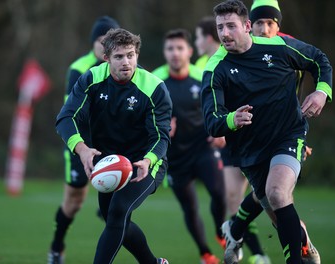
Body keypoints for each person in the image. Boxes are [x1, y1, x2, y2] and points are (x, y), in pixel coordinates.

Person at [201, 1, 332, 263]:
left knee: (277, 193)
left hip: (287, 135)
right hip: (249, 150)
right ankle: (299, 243)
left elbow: (319, 60)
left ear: (246, 27)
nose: (225, 34)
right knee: (276, 211)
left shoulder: (280, 47)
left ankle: (295, 258)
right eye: (220, 28)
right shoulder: (215, 68)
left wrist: (322, 91)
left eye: (231, 26)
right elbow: (212, 121)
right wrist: (231, 119)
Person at [55, 28, 172, 264]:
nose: (126, 62)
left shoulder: (154, 87)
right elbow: (65, 119)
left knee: (118, 210)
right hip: (109, 163)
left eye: (131, 55)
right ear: (106, 58)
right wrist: (82, 149)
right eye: (119, 57)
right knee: (115, 219)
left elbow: (161, 137)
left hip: (146, 163)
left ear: (137, 55)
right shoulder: (90, 79)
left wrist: (149, 160)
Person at [195, 16, 270, 264]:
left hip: (258, 138)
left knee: (270, 196)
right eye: (220, 28)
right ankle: (259, 253)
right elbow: (209, 107)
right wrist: (218, 127)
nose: (195, 43)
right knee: (233, 199)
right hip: (227, 138)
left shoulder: (260, 54)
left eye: (196, 38)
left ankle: (296, 242)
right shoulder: (205, 66)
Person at [48, 15, 119, 264]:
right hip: (82, 143)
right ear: (93, 43)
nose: (105, 46)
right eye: (101, 41)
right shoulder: (80, 69)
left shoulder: (123, 67)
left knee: (117, 207)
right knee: (75, 200)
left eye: (110, 41)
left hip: (112, 143)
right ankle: (57, 246)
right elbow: (72, 112)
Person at [152, 29, 226, 264]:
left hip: (202, 147)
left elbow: (219, 106)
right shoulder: (154, 81)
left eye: (180, 48)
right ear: (164, 52)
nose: (175, 54)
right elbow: (144, 120)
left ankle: (219, 230)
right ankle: (205, 252)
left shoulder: (203, 75)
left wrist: (221, 131)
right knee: (190, 208)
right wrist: (161, 131)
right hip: (173, 157)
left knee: (218, 193)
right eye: (170, 49)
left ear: (189, 52)